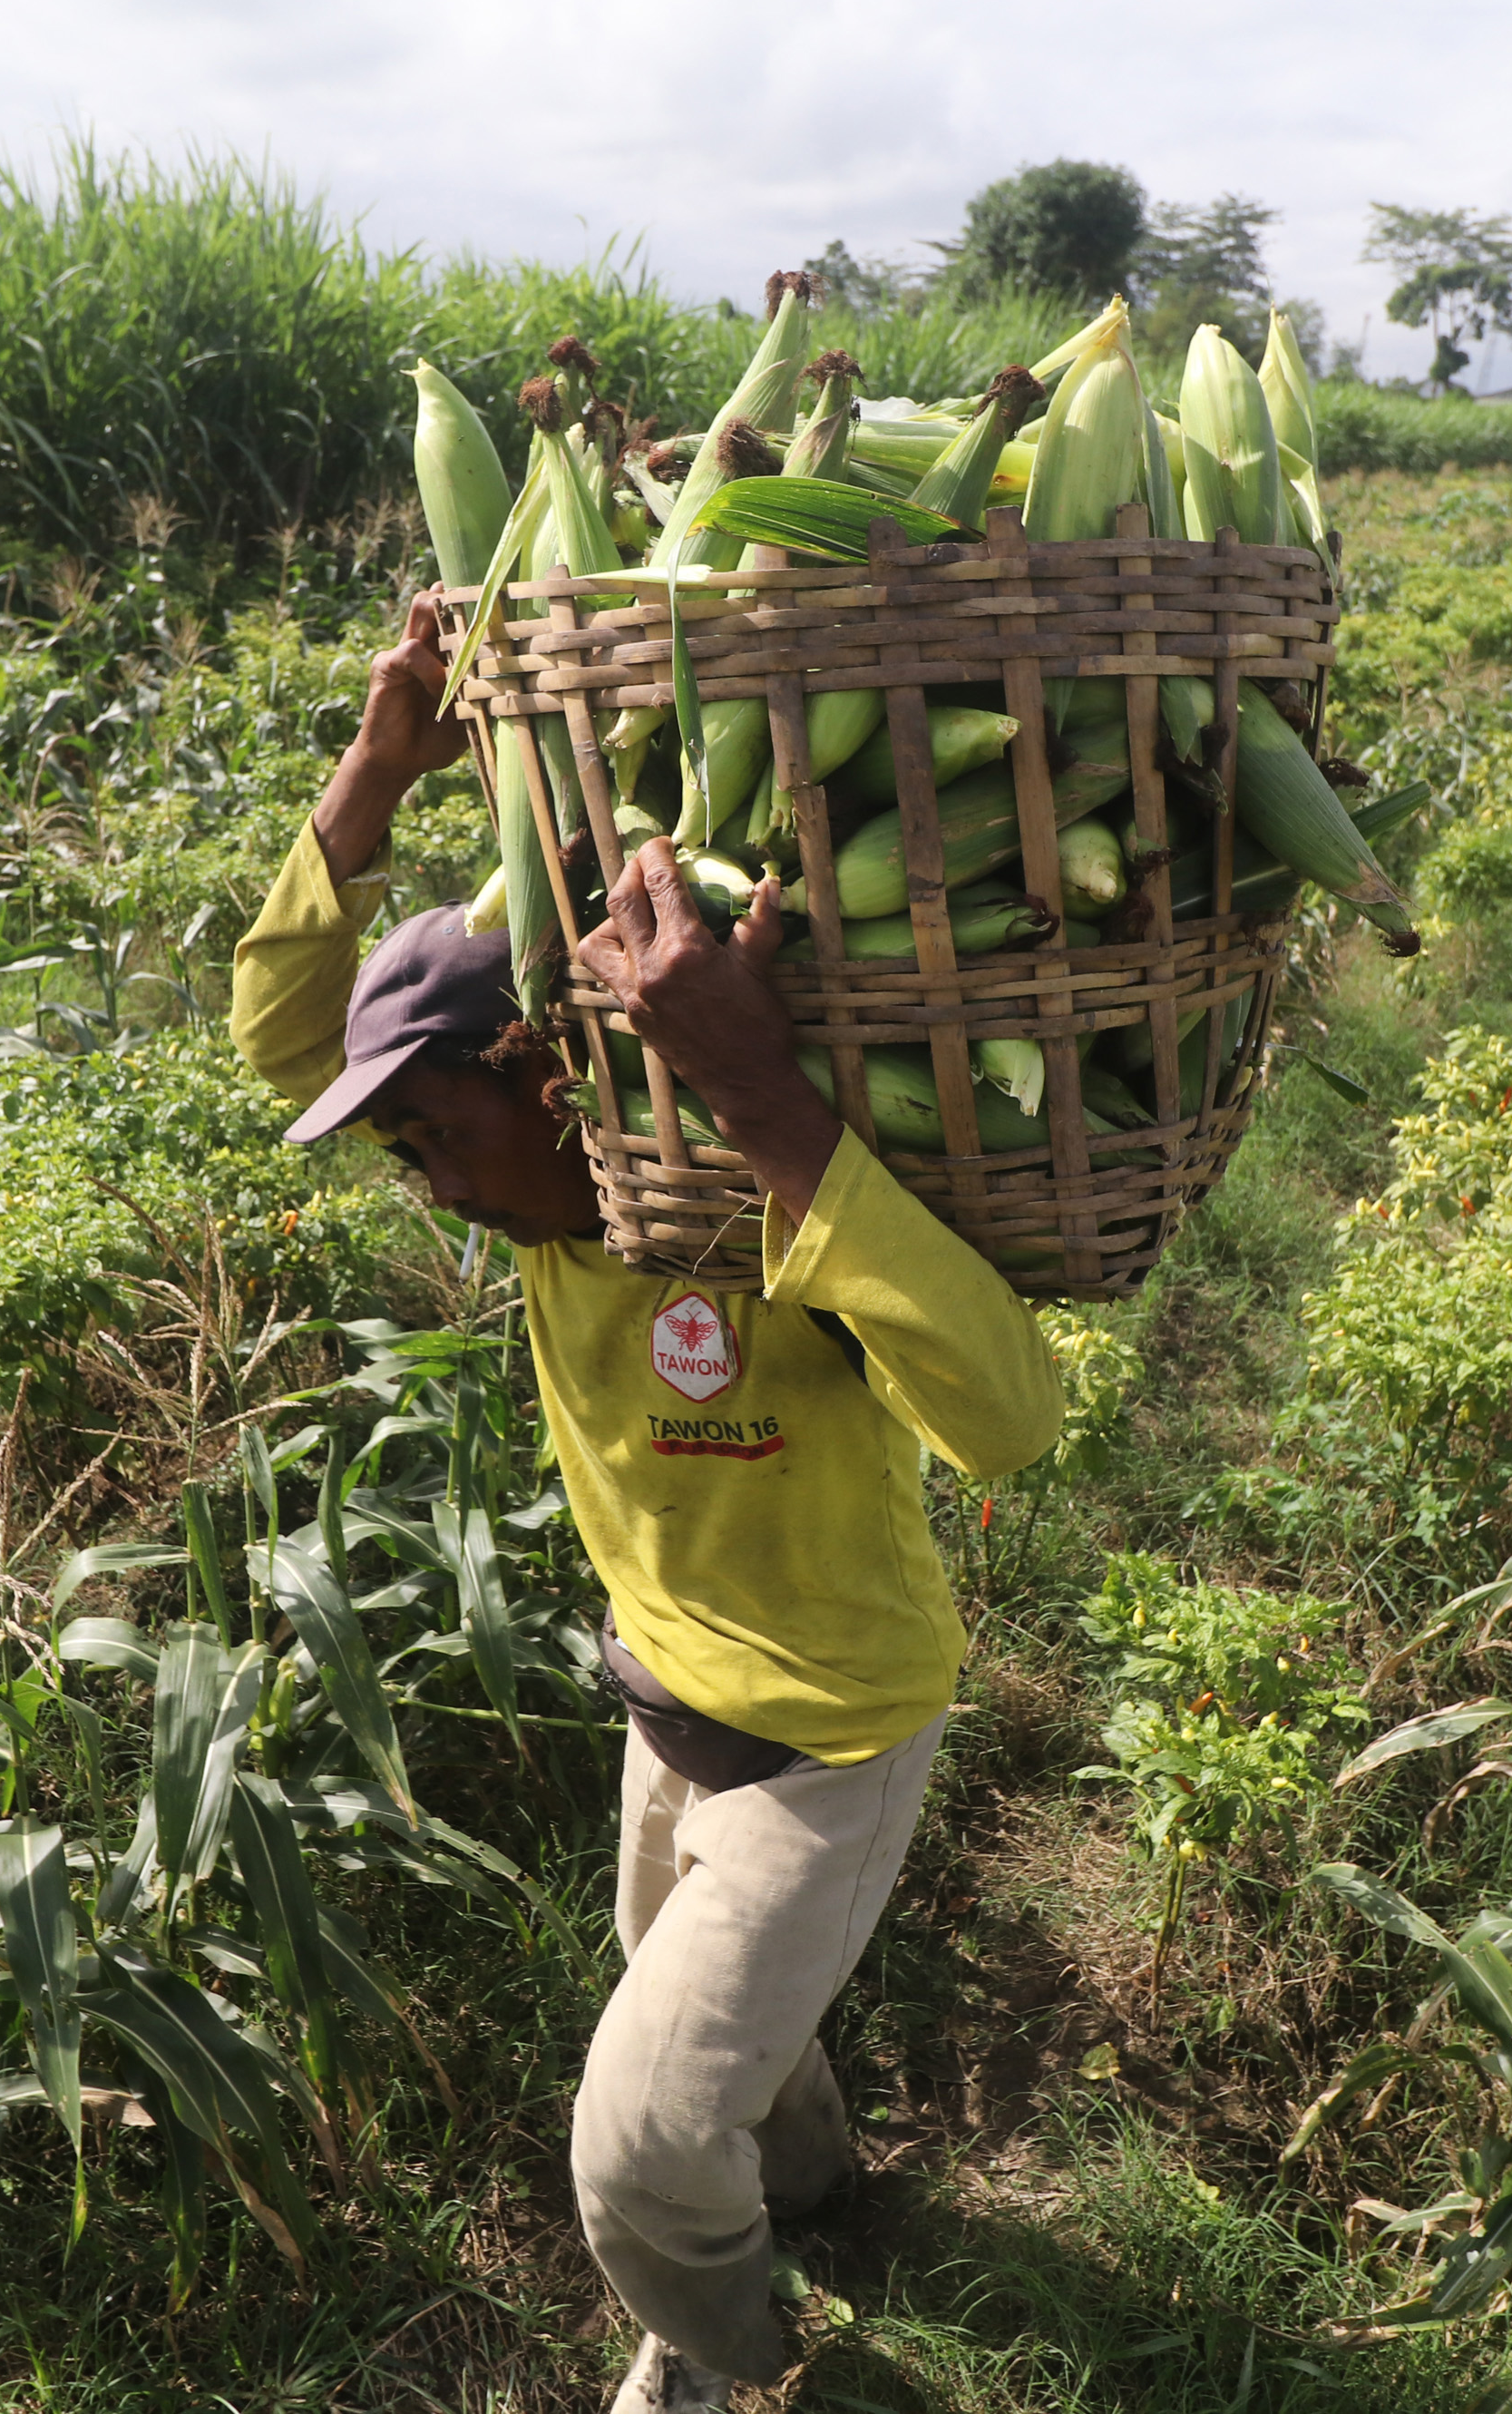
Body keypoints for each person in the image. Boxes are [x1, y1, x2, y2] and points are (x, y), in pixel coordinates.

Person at [232, 593, 1061, 2412]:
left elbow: (1008, 1415)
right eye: (403, 1150)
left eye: (439, 1131)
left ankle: (753, 2364)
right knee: (704, 2032)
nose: (432, 1182)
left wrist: (753, 1081)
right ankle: (826, 2189)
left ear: (548, 1073)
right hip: (657, 1695)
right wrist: (378, 761)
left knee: (633, 2151)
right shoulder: (536, 1196)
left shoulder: (753, 1206)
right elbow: (283, 1028)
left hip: (830, 1737)